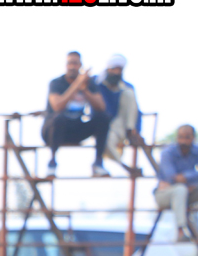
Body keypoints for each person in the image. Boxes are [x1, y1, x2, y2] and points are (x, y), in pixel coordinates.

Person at [42, 51, 110, 179]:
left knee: (103, 118)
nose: (72, 67)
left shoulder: (88, 84)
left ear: (80, 65)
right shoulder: (56, 83)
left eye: (75, 63)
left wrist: (84, 89)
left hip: (76, 129)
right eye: (69, 63)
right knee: (59, 118)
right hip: (53, 131)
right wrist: (76, 84)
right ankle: (52, 163)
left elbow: (101, 107)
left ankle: (98, 163)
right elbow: (57, 106)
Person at [97, 54, 143, 166]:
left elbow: (136, 111)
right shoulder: (98, 84)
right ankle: (125, 166)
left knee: (129, 94)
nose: (116, 73)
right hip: (103, 125)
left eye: (119, 70)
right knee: (106, 142)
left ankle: (130, 131)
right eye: (114, 69)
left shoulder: (126, 87)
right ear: (108, 69)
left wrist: (136, 130)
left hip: (121, 124)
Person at [155, 125, 197, 241]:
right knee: (180, 189)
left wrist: (186, 177)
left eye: (187, 137)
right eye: (180, 137)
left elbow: (179, 178)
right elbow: (171, 177)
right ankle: (180, 231)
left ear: (193, 138)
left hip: (189, 192)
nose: (183, 141)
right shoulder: (167, 153)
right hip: (165, 194)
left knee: (182, 189)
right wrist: (188, 181)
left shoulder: (195, 151)